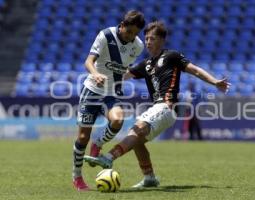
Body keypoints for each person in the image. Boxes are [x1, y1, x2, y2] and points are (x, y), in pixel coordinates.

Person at [84, 21, 230, 188]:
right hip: (157, 107)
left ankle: (108, 158)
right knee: (137, 140)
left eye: (152, 38)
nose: (147, 42)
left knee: (135, 131)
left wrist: (215, 82)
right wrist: (99, 75)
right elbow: (123, 75)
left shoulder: (172, 56)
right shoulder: (145, 64)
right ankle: (149, 178)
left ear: (162, 40)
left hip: (167, 107)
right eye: (146, 39)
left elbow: (195, 70)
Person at [72, 10, 145, 191]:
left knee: (118, 119)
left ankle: (97, 143)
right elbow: (88, 61)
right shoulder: (105, 35)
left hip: (111, 92)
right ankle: (77, 177)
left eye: (135, 34)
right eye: (129, 32)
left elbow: (121, 69)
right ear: (122, 25)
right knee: (82, 137)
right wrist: (96, 74)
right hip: (92, 90)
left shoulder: (138, 46)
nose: (131, 37)